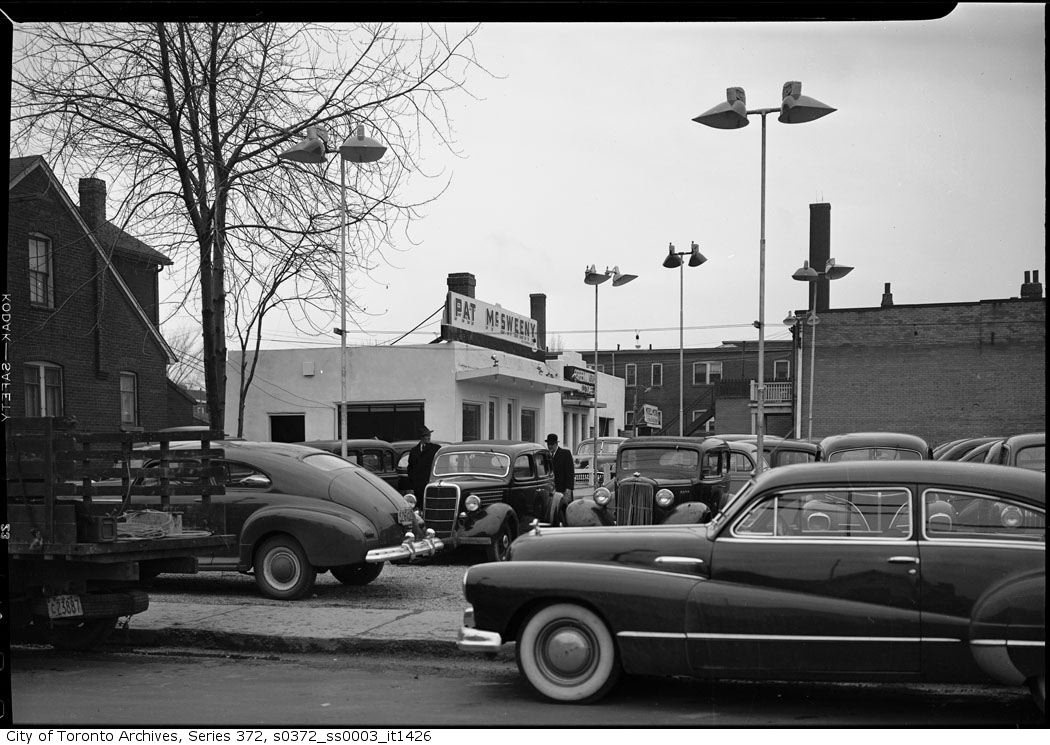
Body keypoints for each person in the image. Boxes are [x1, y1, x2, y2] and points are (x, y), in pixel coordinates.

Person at [407, 426, 440, 502]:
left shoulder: (436, 448)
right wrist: (413, 482)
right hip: (418, 486)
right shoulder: (414, 450)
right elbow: (410, 467)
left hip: (431, 483)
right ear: (421, 437)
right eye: (426, 435)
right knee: (419, 504)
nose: (429, 437)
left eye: (429, 435)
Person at [545, 433, 574, 502]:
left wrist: (569, 488)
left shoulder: (565, 454)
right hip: (551, 490)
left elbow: (570, 472)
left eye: (552, 444)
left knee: (564, 506)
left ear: (556, 444)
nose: (550, 446)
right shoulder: (546, 455)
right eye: (548, 444)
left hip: (563, 489)